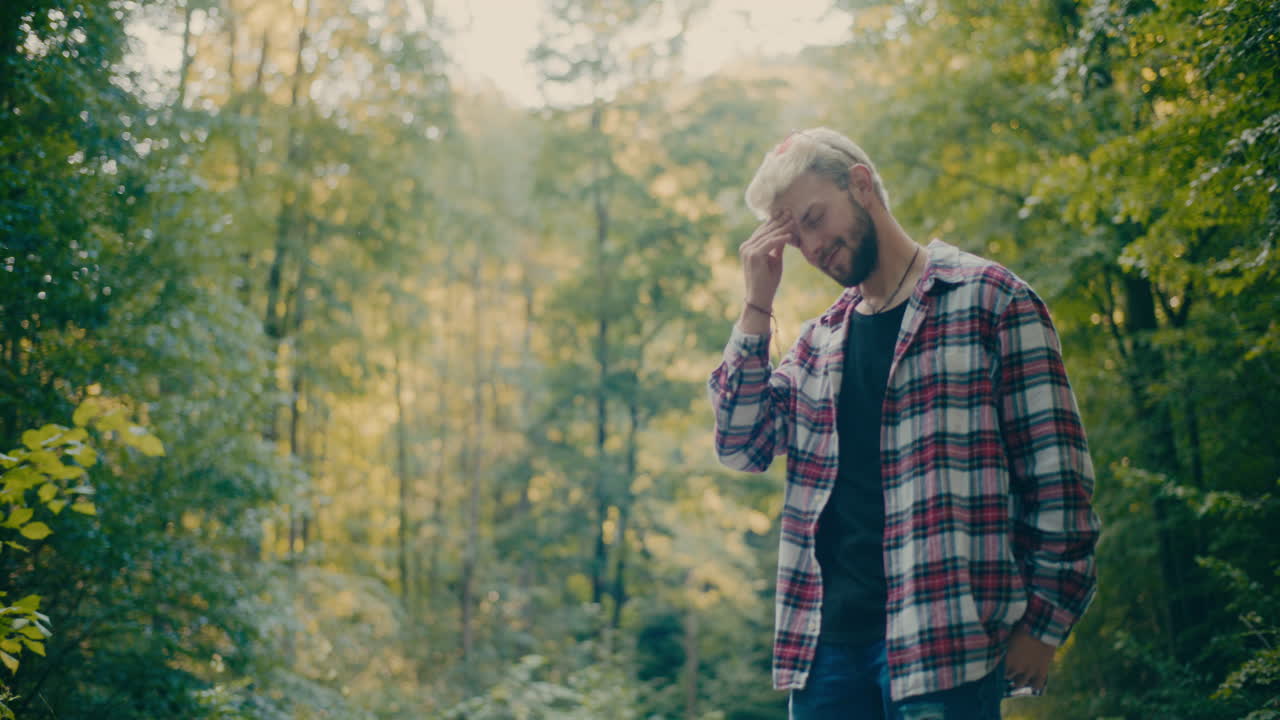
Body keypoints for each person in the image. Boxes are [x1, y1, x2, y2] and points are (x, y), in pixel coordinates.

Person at [707, 127, 1101, 720]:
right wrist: (757, 305)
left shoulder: (992, 301)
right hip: (825, 657)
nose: (811, 248)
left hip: (945, 647)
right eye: (795, 236)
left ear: (861, 185)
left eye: (814, 219)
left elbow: (1058, 482)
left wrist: (1045, 625)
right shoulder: (818, 343)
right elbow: (742, 444)